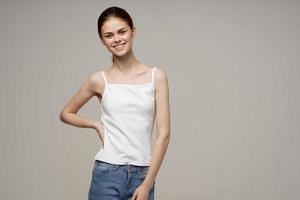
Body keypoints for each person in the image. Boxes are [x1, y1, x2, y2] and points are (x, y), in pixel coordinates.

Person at [59, 6, 171, 200]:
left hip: (142, 175)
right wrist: (95, 124)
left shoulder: (156, 77)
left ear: (133, 31)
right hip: (106, 173)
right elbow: (66, 113)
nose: (117, 39)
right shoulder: (99, 80)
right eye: (109, 35)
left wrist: (147, 184)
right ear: (102, 40)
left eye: (122, 31)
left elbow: (164, 135)